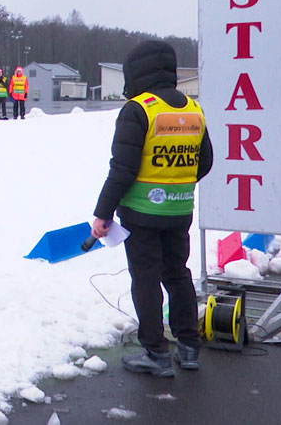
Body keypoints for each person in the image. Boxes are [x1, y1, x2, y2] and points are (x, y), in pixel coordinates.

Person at [89, 40, 213, 378]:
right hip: (179, 210)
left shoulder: (138, 109)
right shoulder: (193, 108)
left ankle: (156, 352)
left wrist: (104, 213)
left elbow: (123, 168)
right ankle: (189, 348)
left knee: (145, 279)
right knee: (178, 275)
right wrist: (177, 182)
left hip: (141, 213)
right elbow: (205, 162)